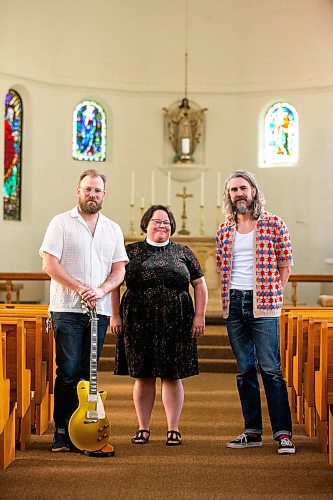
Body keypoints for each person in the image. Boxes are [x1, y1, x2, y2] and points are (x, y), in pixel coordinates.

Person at [40, 168, 128, 452]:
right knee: (67, 371)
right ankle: (63, 432)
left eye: (97, 190)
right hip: (67, 309)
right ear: (78, 191)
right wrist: (80, 288)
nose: (92, 194)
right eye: (88, 189)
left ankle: (85, 431)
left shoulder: (112, 228)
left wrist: (101, 291)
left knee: (88, 376)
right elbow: (50, 265)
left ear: (104, 194)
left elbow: (119, 271)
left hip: (99, 310)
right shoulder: (61, 223)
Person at [111, 204, 208, 446]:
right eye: (157, 221)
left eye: (166, 222)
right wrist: (115, 315)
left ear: (172, 226)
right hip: (138, 321)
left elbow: (200, 285)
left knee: (172, 376)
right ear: (146, 223)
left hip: (176, 320)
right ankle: (143, 427)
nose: (162, 225)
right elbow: (114, 284)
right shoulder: (129, 252)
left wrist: (199, 316)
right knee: (143, 376)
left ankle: (173, 428)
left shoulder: (183, 252)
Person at [216, 170, 296, 454]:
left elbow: (285, 265)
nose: (238, 193)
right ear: (229, 195)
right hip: (233, 304)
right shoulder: (224, 230)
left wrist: (273, 293)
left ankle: (283, 434)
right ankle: (252, 432)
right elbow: (222, 269)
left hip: (264, 303)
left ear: (253, 191)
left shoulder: (274, 223)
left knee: (271, 370)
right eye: (233, 189)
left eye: (243, 188)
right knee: (245, 370)